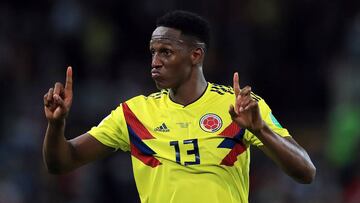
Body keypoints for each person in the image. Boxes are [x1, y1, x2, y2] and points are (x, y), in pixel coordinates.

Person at [43, 10, 316, 203]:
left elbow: (306, 172)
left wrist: (261, 131)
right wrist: (56, 125)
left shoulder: (240, 106)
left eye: (166, 52)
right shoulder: (134, 113)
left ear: (196, 55)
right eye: (153, 52)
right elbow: (62, 162)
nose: (155, 61)